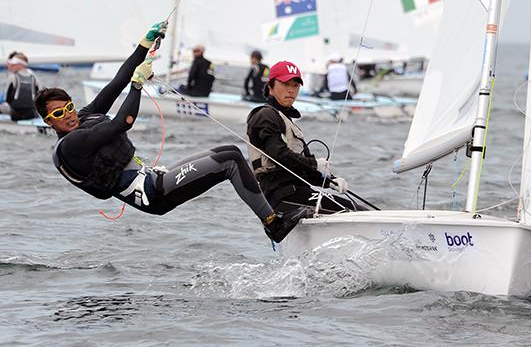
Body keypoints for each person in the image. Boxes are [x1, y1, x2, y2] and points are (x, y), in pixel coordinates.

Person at [34, 22, 307, 243]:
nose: (68, 114)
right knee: (230, 159)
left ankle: (275, 210)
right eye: (58, 113)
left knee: (228, 155)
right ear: (48, 121)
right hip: (154, 193)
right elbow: (123, 121)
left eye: (68, 106)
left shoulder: (84, 117)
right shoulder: (71, 145)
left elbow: (118, 80)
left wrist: (144, 45)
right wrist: (138, 85)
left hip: (156, 179)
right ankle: (273, 224)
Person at [246, 61, 370, 215]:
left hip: (297, 193)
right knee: (355, 211)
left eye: (296, 85)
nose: (291, 90)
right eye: (286, 84)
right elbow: (279, 155)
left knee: (358, 208)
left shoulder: (284, 118)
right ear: (270, 86)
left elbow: (304, 168)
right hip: (282, 198)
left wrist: (330, 181)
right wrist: (315, 164)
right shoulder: (265, 115)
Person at [1, 51, 41, 121]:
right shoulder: (34, 77)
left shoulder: (13, 77)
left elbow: (7, 99)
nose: (10, 66)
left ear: (20, 65)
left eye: (13, 65)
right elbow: (39, 95)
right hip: (31, 114)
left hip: (15, 114)